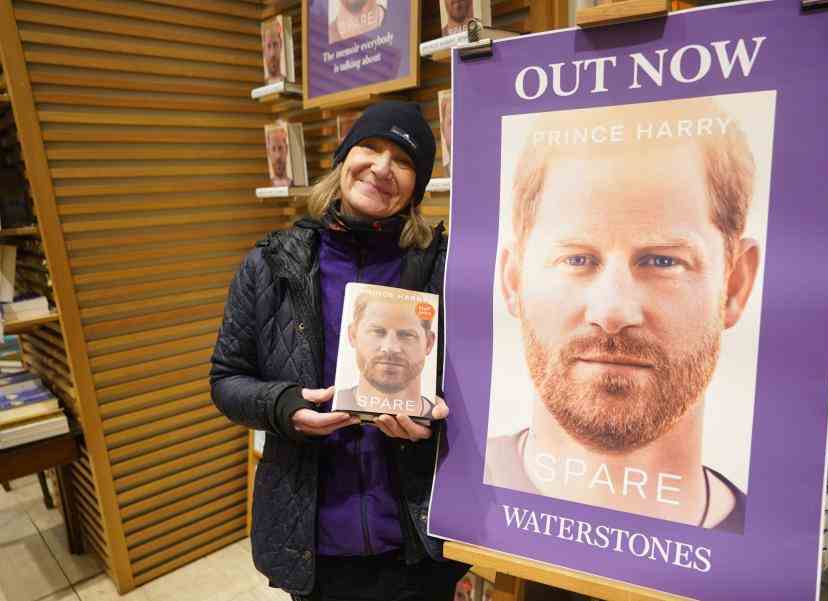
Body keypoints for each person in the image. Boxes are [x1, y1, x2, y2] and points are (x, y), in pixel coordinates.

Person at [212, 101, 467, 600]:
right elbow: (226, 379)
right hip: (316, 544)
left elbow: (475, 387)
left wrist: (433, 418)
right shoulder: (269, 265)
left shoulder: (440, 267)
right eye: (370, 147)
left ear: (416, 188)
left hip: (415, 540)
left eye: (404, 160)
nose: (382, 167)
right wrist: (285, 408)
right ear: (343, 158)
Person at [484, 97, 762, 533]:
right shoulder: (451, 491)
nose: (612, 311)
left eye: (663, 261)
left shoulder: (766, 567)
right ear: (512, 280)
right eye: (576, 259)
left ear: (736, 285)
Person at [334, 291, 437, 420]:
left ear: (428, 343)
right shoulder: (326, 406)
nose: (390, 348)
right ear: (353, 335)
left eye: (407, 335)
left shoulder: (441, 423)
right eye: (377, 331)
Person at [261, 18, 285, 83]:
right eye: (268, 46)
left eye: (275, 45)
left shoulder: (288, 84)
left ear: (281, 44)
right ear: (263, 49)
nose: (272, 54)